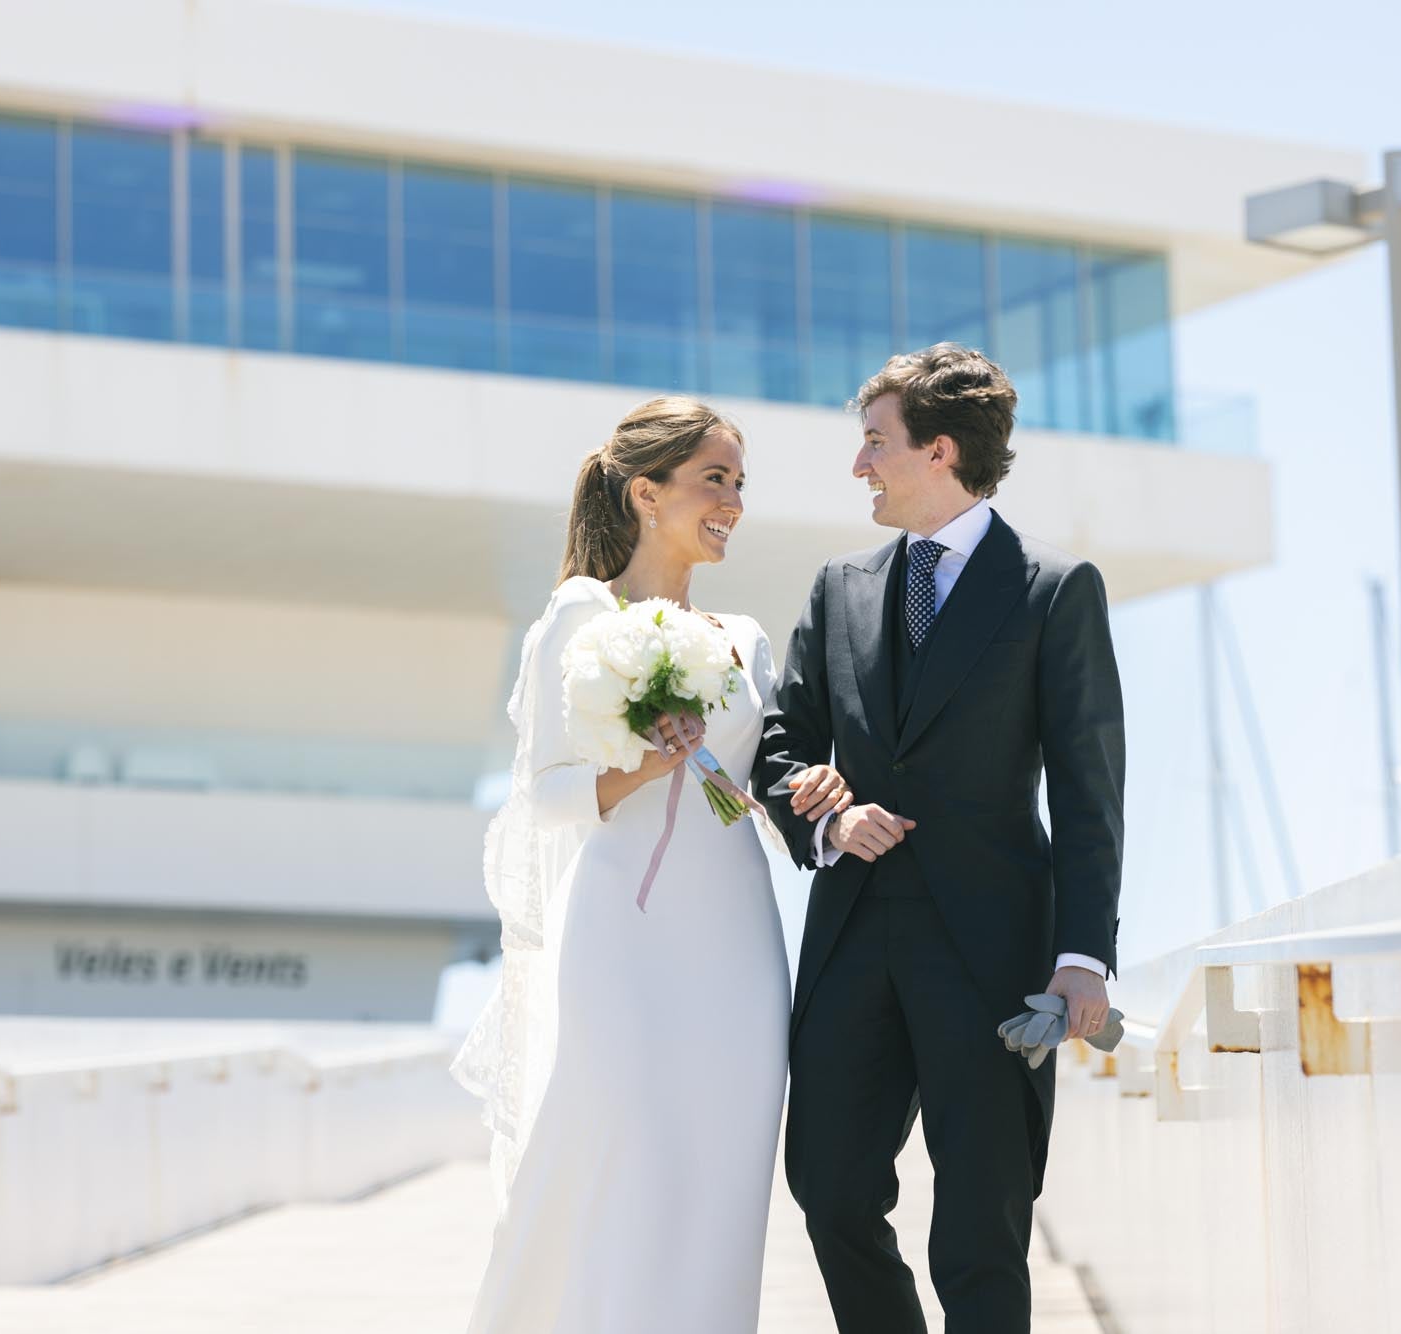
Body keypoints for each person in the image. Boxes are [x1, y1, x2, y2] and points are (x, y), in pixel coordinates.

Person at [454, 396, 851, 1333]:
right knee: (619, 1153)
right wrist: (644, 764)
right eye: (714, 479)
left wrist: (822, 789)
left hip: (737, 941)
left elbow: (758, 786)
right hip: (621, 938)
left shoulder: (746, 640)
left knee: (722, 1168)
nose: (734, 502)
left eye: (740, 484)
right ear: (645, 492)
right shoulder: (581, 618)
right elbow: (544, 796)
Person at [754, 343, 1126, 1334]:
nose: (858, 464)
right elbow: (779, 747)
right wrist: (825, 810)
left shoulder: (1052, 589)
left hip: (995, 952)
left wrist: (1082, 958)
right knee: (828, 1190)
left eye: (874, 442)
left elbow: (1091, 792)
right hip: (851, 939)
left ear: (941, 450)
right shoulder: (838, 587)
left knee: (978, 1229)